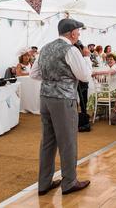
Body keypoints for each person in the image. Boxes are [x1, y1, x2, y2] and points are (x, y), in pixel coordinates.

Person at [30, 19, 92, 195]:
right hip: (64, 100)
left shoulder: (45, 48)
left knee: (48, 142)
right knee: (67, 142)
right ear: (72, 33)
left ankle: (44, 183)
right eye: (78, 32)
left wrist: (52, 80)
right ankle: (69, 182)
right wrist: (86, 57)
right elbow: (85, 76)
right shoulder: (71, 50)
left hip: (45, 98)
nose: (79, 34)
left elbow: (34, 74)